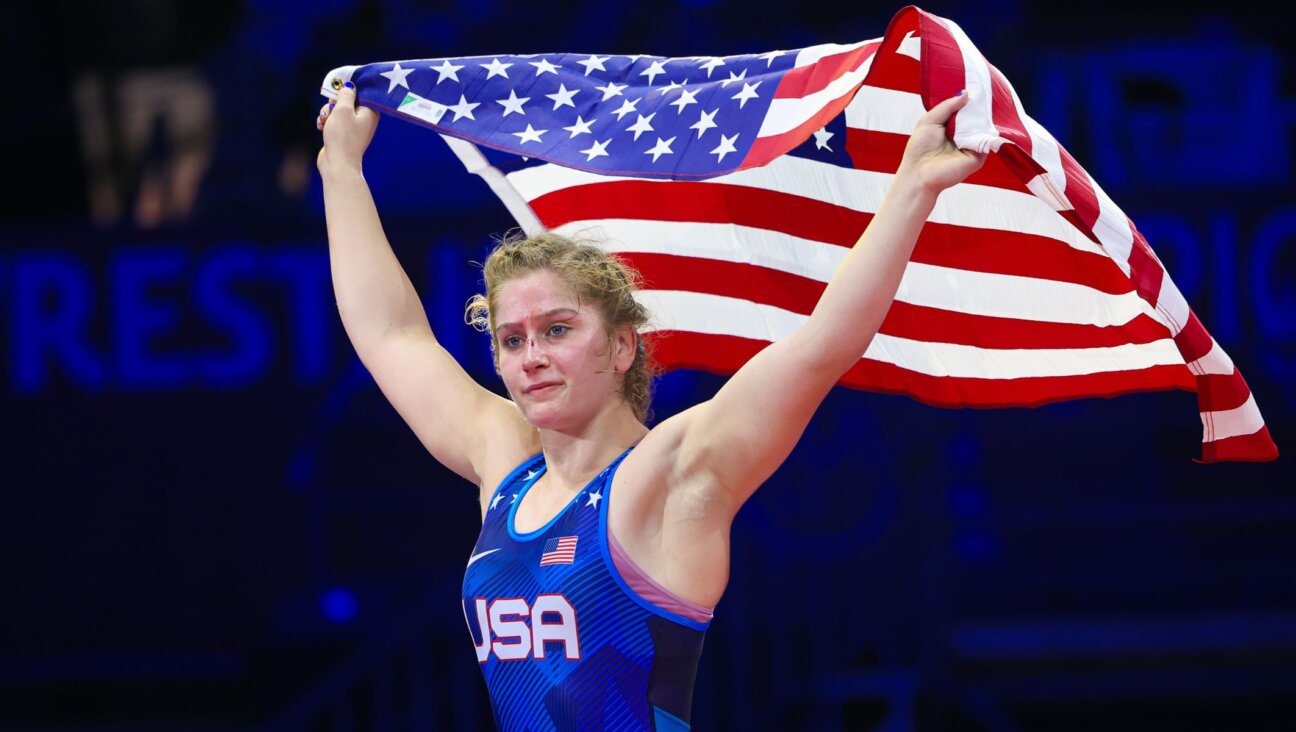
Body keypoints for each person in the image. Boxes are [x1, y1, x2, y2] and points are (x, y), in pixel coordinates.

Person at [317, 80, 985, 731]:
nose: (531, 357)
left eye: (557, 330)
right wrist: (340, 169)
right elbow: (391, 335)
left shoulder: (671, 474)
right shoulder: (505, 465)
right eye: (511, 340)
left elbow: (821, 346)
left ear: (621, 347)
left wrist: (912, 191)